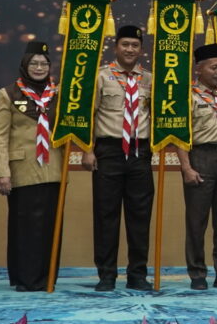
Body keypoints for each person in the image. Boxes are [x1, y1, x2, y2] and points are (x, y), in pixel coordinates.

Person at [83, 25, 155, 292]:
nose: (130, 49)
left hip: (139, 152)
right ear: (116, 48)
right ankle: (106, 275)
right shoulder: (101, 76)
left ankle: (138, 274)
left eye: (135, 45)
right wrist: (88, 150)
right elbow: (88, 114)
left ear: (141, 50)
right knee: (106, 215)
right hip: (109, 151)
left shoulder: (149, 79)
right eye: (125, 44)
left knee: (140, 216)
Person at [0, 41, 64, 292]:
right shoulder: (8, 94)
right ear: (24, 65)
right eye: (34, 63)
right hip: (21, 170)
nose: (39, 68)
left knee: (50, 226)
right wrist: (2, 173)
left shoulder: (59, 94)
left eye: (44, 63)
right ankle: (25, 278)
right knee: (24, 227)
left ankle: (47, 277)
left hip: (54, 168)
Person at [178, 44, 217, 290]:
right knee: (197, 221)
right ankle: (197, 274)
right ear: (199, 69)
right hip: (200, 157)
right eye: (214, 67)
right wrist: (186, 167)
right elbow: (181, 136)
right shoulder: (189, 95)